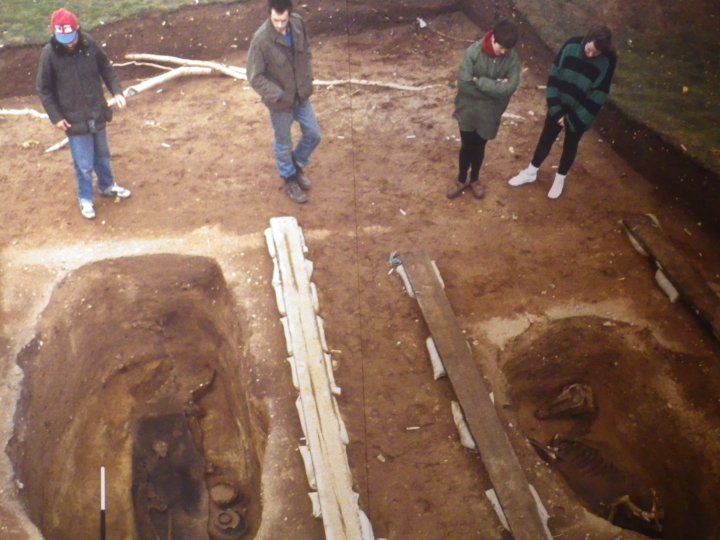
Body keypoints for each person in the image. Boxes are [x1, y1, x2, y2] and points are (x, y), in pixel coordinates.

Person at [36, 8, 131, 220]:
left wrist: (116, 91)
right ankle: (85, 197)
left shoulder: (88, 44)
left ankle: (107, 186)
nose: (69, 43)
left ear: (78, 30)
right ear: (54, 34)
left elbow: (106, 67)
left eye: (72, 37)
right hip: (72, 119)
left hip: (97, 112)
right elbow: (44, 89)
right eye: (64, 39)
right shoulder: (49, 54)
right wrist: (56, 116)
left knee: (103, 156)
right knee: (84, 163)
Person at [508, 26, 617, 199]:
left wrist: (573, 119)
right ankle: (531, 172)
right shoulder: (571, 45)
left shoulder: (608, 61)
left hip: (580, 112)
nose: (591, 55)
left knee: (570, 145)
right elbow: (554, 76)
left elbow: (599, 95)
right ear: (586, 39)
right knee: (546, 138)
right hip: (559, 104)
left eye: (596, 53)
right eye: (589, 49)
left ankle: (560, 179)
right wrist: (557, 110)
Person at [247, 0, 321, 204]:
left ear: (290, 14)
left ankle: (296, 165)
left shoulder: (298, 24)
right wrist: (278, 95)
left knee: (314, 134)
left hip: (301, 95)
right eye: (275, 20)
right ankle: (289, 178)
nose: (280, 25)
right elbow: (254, 77)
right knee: (283, 142)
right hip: (280, 103)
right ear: (269, 14)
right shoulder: (260, 40)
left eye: (283, 20)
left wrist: (307, 79)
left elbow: (306, 51)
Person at [448, 20, 521, 200]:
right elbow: (464, 85)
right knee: (467, 145)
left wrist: (480, 81)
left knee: (480, 146)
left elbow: (509, 88)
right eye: (501, 47)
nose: (503, 52)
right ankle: (461, 179)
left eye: (507, 50)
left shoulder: (512, 58)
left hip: (489, 114)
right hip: (468, 109)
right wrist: (495, 88)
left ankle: (474, 179)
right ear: (493, 38)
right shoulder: (473, 52)